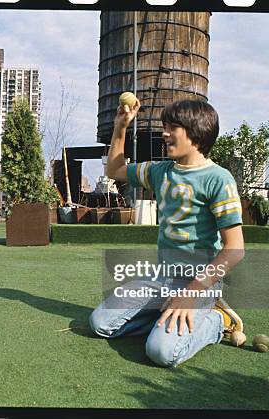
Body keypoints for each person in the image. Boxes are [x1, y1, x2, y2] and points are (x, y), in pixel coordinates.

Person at [89, 99, 246, 367]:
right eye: (165, 126)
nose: (164, 133)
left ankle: (217, 320)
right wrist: (120, 127)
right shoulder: (160, 172)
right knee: (100, 324)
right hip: (161, 278)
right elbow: (114, 170)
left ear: (196, 132)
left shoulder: (219, 179)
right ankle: (166, 314)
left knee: (161, 352)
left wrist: (191, 292)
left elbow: (234, 249)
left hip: (199, 284)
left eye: (173, 127)